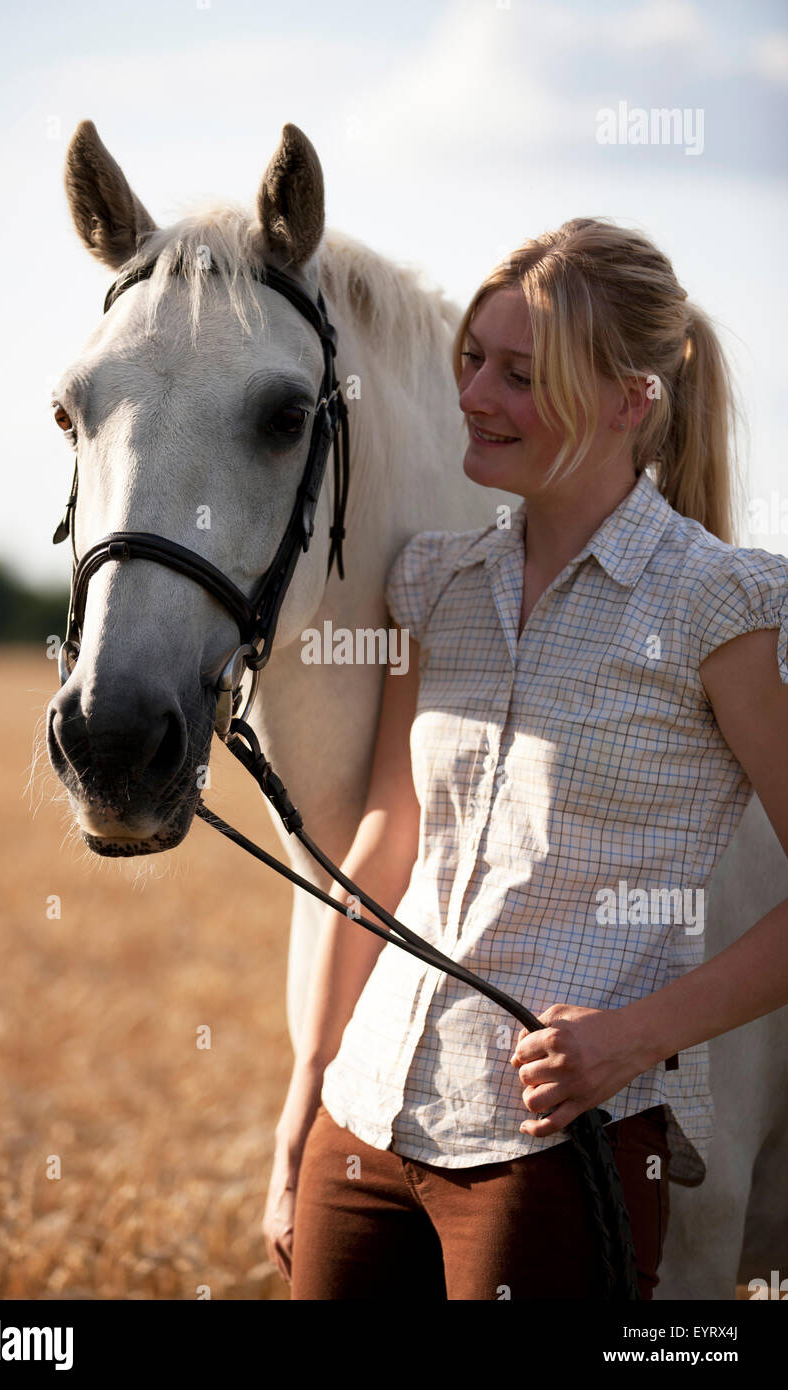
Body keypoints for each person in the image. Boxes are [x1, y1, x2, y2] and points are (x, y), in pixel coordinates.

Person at [263, 217, 788, 1300]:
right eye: (472, 359)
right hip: (363, 1118)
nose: (474, 395)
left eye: (518, 374)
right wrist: (305, 1089)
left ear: (627, 401)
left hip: (556, 1142)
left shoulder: (721, 603)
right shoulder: (431, 583)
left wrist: (632, 1040)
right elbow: (384, 846)